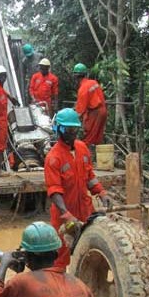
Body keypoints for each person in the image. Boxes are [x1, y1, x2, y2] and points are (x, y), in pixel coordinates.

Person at [44, 108, 110, 269]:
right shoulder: (53, 158)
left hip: (86, 210)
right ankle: (61, 289)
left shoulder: (82, 149)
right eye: (68, 129)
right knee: (60, 256)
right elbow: (54, 191)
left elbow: (89, 176)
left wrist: (101, 192)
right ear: (59, 129)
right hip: (64, 215)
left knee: (91, 252)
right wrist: (66, 214)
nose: (72, 133)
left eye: (75, 129)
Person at [0, 65, 20, 177]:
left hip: (2, 121)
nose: (2, 78)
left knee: (0, 144)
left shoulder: (0, 89)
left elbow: (3, 93)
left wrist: (11, 98)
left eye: (3, 75)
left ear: (6, 76)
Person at [72, 63, 108, 148]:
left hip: (95, 113)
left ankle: (86, 156)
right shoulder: (94, 82)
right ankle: (98, 156)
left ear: (76, 77)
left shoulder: (83, 89)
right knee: (98, 136)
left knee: (89, 137)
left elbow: (79, 112)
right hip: (103, 111)